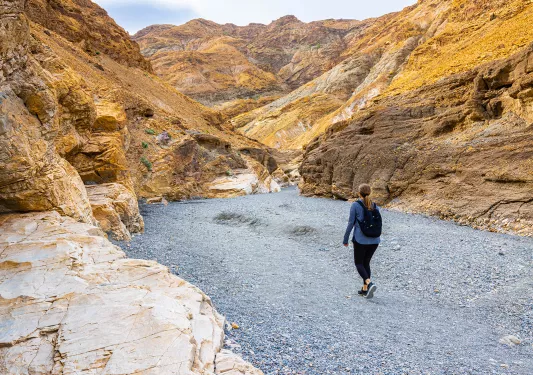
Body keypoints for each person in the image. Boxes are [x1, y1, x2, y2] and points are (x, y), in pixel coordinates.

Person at [343, 184, 381, 298]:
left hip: (361, 240)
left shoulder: (355, 205)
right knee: (366, 263)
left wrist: (345, 239)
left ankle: (369, 284)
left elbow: (351, 223)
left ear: (359, 193)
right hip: (375, 240)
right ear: (370, 192)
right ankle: (365, 289)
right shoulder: (374, 205)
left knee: (359, 263)